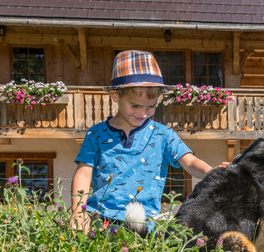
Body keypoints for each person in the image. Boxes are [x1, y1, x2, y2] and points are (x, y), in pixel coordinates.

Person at [71, 50, 215, 232]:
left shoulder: (163, 135)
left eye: (151, 107)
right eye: (135, 106)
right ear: (115, 96)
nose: (142, 113)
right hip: (101, 220)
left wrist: (213, 173)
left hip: (145, 224)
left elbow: (190, 162)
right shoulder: (96, 134)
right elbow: (83, 174)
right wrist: (78, 212)